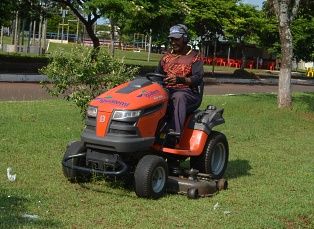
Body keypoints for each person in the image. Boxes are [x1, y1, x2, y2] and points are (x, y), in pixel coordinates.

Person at [156, 24, 204, 145]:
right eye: (171, 39)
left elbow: (198, 78)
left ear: (185, 38)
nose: (173, 42)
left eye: (176, 39)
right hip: (167, 91)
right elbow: (157, 75)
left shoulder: (194, 57)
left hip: (188, 93)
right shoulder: (166, 57)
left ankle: (174, 134)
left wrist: (180, 80)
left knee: (178, 97)